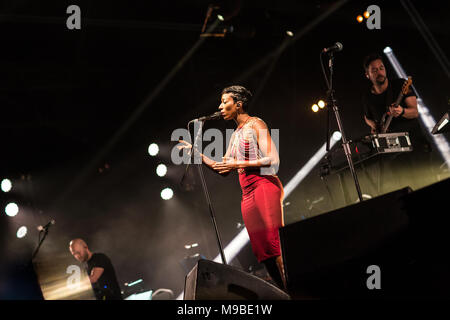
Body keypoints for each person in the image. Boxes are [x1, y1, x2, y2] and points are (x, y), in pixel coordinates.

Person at [178, 85, 286, 290]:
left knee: (276, 246)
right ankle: (282, 292)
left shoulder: (256, 123)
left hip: (264, 186)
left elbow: (273, 159)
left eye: (224, 101)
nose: (220, 106)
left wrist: (239, 164)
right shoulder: (235, 135)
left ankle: (295, 291)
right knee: (263, 253)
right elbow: (223, 168)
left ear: (239, 104)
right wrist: (197, 155)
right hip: (247, 195)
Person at [361, 53, 434, 192]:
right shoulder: (367, 97)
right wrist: (374, 126)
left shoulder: (400, 85)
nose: (379, 72)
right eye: (374, 70)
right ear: (367, 75)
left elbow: (415, 112)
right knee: (405, 191)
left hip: (415, 146)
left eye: (381, 68)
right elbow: (367, 117)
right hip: (394, 155)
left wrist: (402, 112)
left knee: (426, 187)